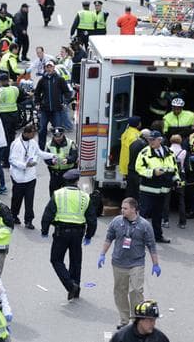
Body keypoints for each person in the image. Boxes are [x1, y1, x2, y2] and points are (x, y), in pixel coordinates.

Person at [99, 197, 160, 330]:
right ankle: (124, 319)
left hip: (136, 263)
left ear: (134, 209)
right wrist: (102, 254)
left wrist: (156, 264)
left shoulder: (144, 225)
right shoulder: (116, 221)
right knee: (120, 291)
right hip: (118, 263)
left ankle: (136, 319)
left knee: (136, 291)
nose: (122, 210)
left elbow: (152, 246)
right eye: (122, 208)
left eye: (125, 208)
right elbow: (109, 238)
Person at [41, 169, 97, 300]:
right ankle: (75, 290)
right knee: (76, 262)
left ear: (65, 180)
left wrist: (44, 230)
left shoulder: (58, 194)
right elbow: (92, 219)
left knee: (56, 260)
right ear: (77, 181)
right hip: (78, 233)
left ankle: (70, 285)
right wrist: (89, 235)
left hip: (61, 232)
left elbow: (48, 214)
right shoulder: (85, 196)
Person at [10, 124, 59, 228]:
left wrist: (52, 155)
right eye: (33, 134)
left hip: (30, 177)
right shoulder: (16, 144)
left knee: (29, 200)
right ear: (26, 133)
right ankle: (13, 216)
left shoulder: (32, 142)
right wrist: (24, 165)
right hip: (18, 177)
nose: (34, 136)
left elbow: (39, 153)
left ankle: (29, 220)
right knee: (16, 199)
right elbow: (12, 160)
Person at [135, 130, 180, 243]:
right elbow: (139, 168)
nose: (150, 142)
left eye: (153, 139)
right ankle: (139, 238)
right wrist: (153, 172)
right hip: (148, 189)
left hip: (163, 190)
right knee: (143, 215)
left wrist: (177, 180)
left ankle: (158, 236)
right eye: (149, 139)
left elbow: (174, 168)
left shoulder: (169, 152)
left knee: (158, 215)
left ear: (160, 140)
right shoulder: (144, 153)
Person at [35, 60, 71, 149]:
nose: (49, 68)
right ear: (45, 68)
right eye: (47, 67)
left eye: (50, 66)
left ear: (54, 67)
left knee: (58, 131)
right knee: (42, 129)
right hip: (45, 110)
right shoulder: (42, 80)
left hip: (57, 110)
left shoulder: (60, 79)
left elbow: (67, 92)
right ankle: (41, 149)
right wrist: (37, 103)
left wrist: (65, 102)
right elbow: (37, 93)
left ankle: (59, 148)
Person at [45, 127, 78, 196]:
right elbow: (46, 158)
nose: (58, 139)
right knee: (54, 196)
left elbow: (74, 156)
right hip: (55, 174)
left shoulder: (71, 143)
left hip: (68, 174)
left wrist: (68, 160)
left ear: (63, 134)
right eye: (56, 137)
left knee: (69, 195)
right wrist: (51, 161)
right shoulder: (48, 145)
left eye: (59, 137)